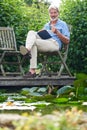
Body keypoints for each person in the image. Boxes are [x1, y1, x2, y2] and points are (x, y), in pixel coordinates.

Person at [20, 4, 70, 78]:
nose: (53, 15)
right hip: (45, 42)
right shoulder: (47, 25)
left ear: (58, 13)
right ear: (49, 14)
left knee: (34, 42)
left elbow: (67, 41)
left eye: (55, 12)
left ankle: (28, 55)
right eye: (51, 13)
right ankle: (28, 51)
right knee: (31, 32)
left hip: (54, 44)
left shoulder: (63, 24)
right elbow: (39, 35)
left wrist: (57, 32)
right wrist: (40, 32)